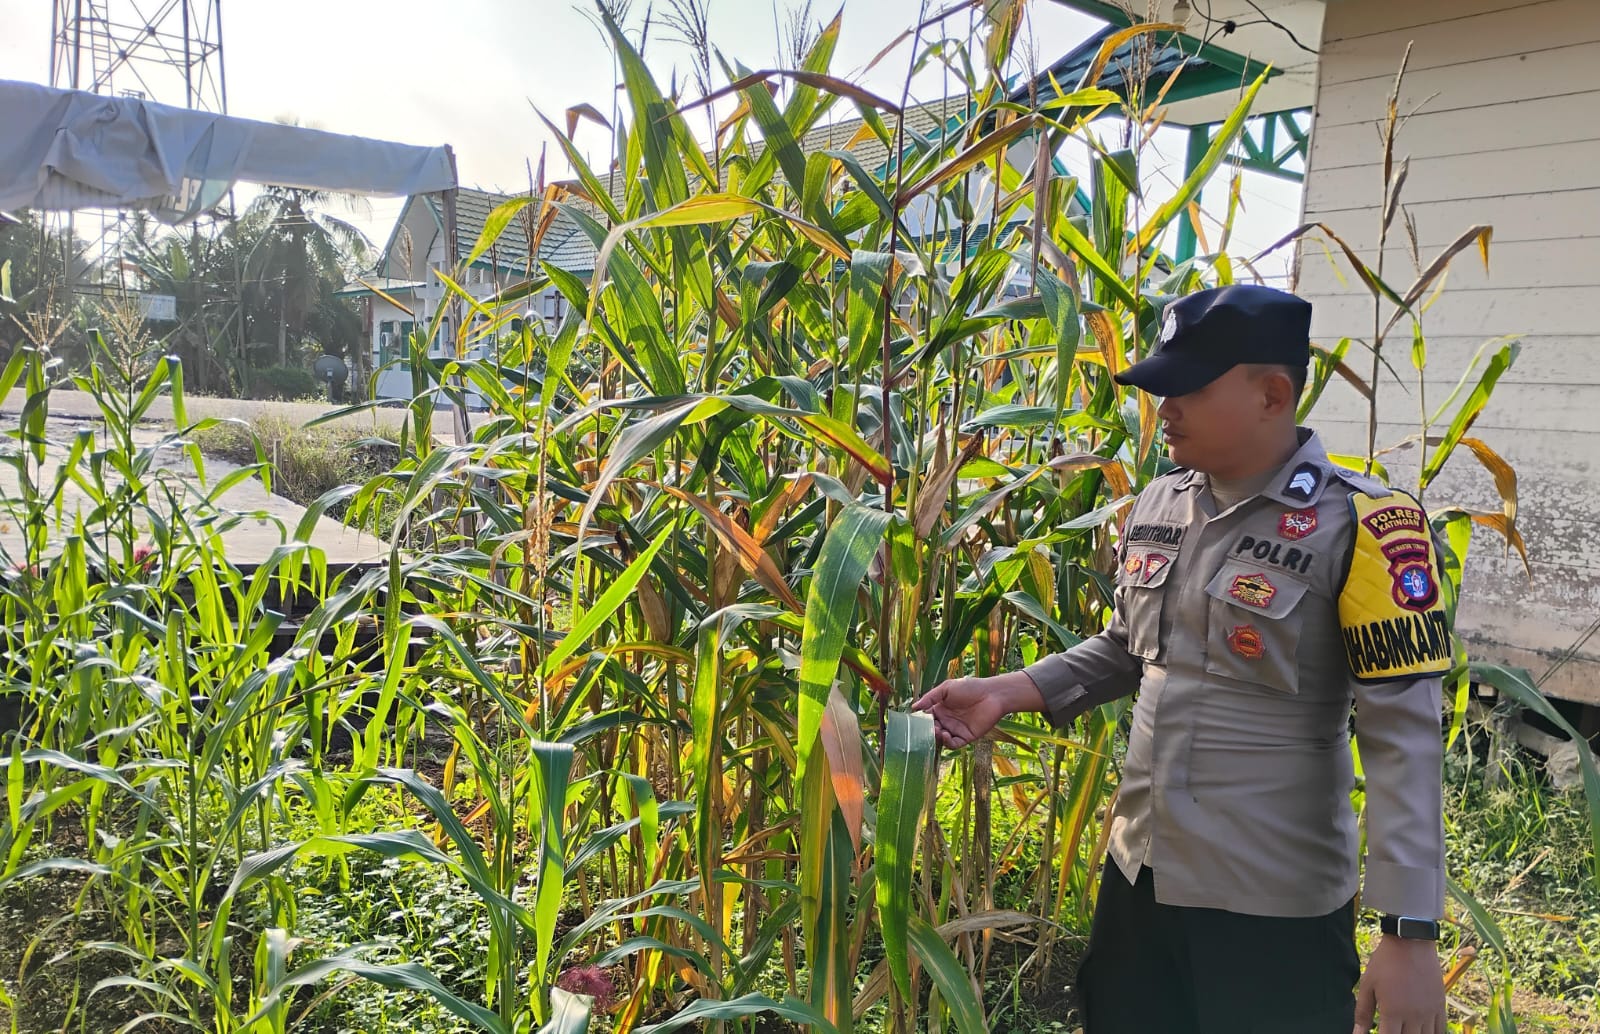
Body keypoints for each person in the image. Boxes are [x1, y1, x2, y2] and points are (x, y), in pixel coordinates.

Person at [913, 284, 1450, 1034]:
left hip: (1271, 903)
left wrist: (1409, 932)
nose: (1163, 409)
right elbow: (1132, 649)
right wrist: (1011, 689)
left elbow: (1406, 740)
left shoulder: (1365, 525)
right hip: (1139, 878)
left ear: (1272, 394)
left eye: (1186, 389)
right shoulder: (1162, 503)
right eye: (1159, 389)